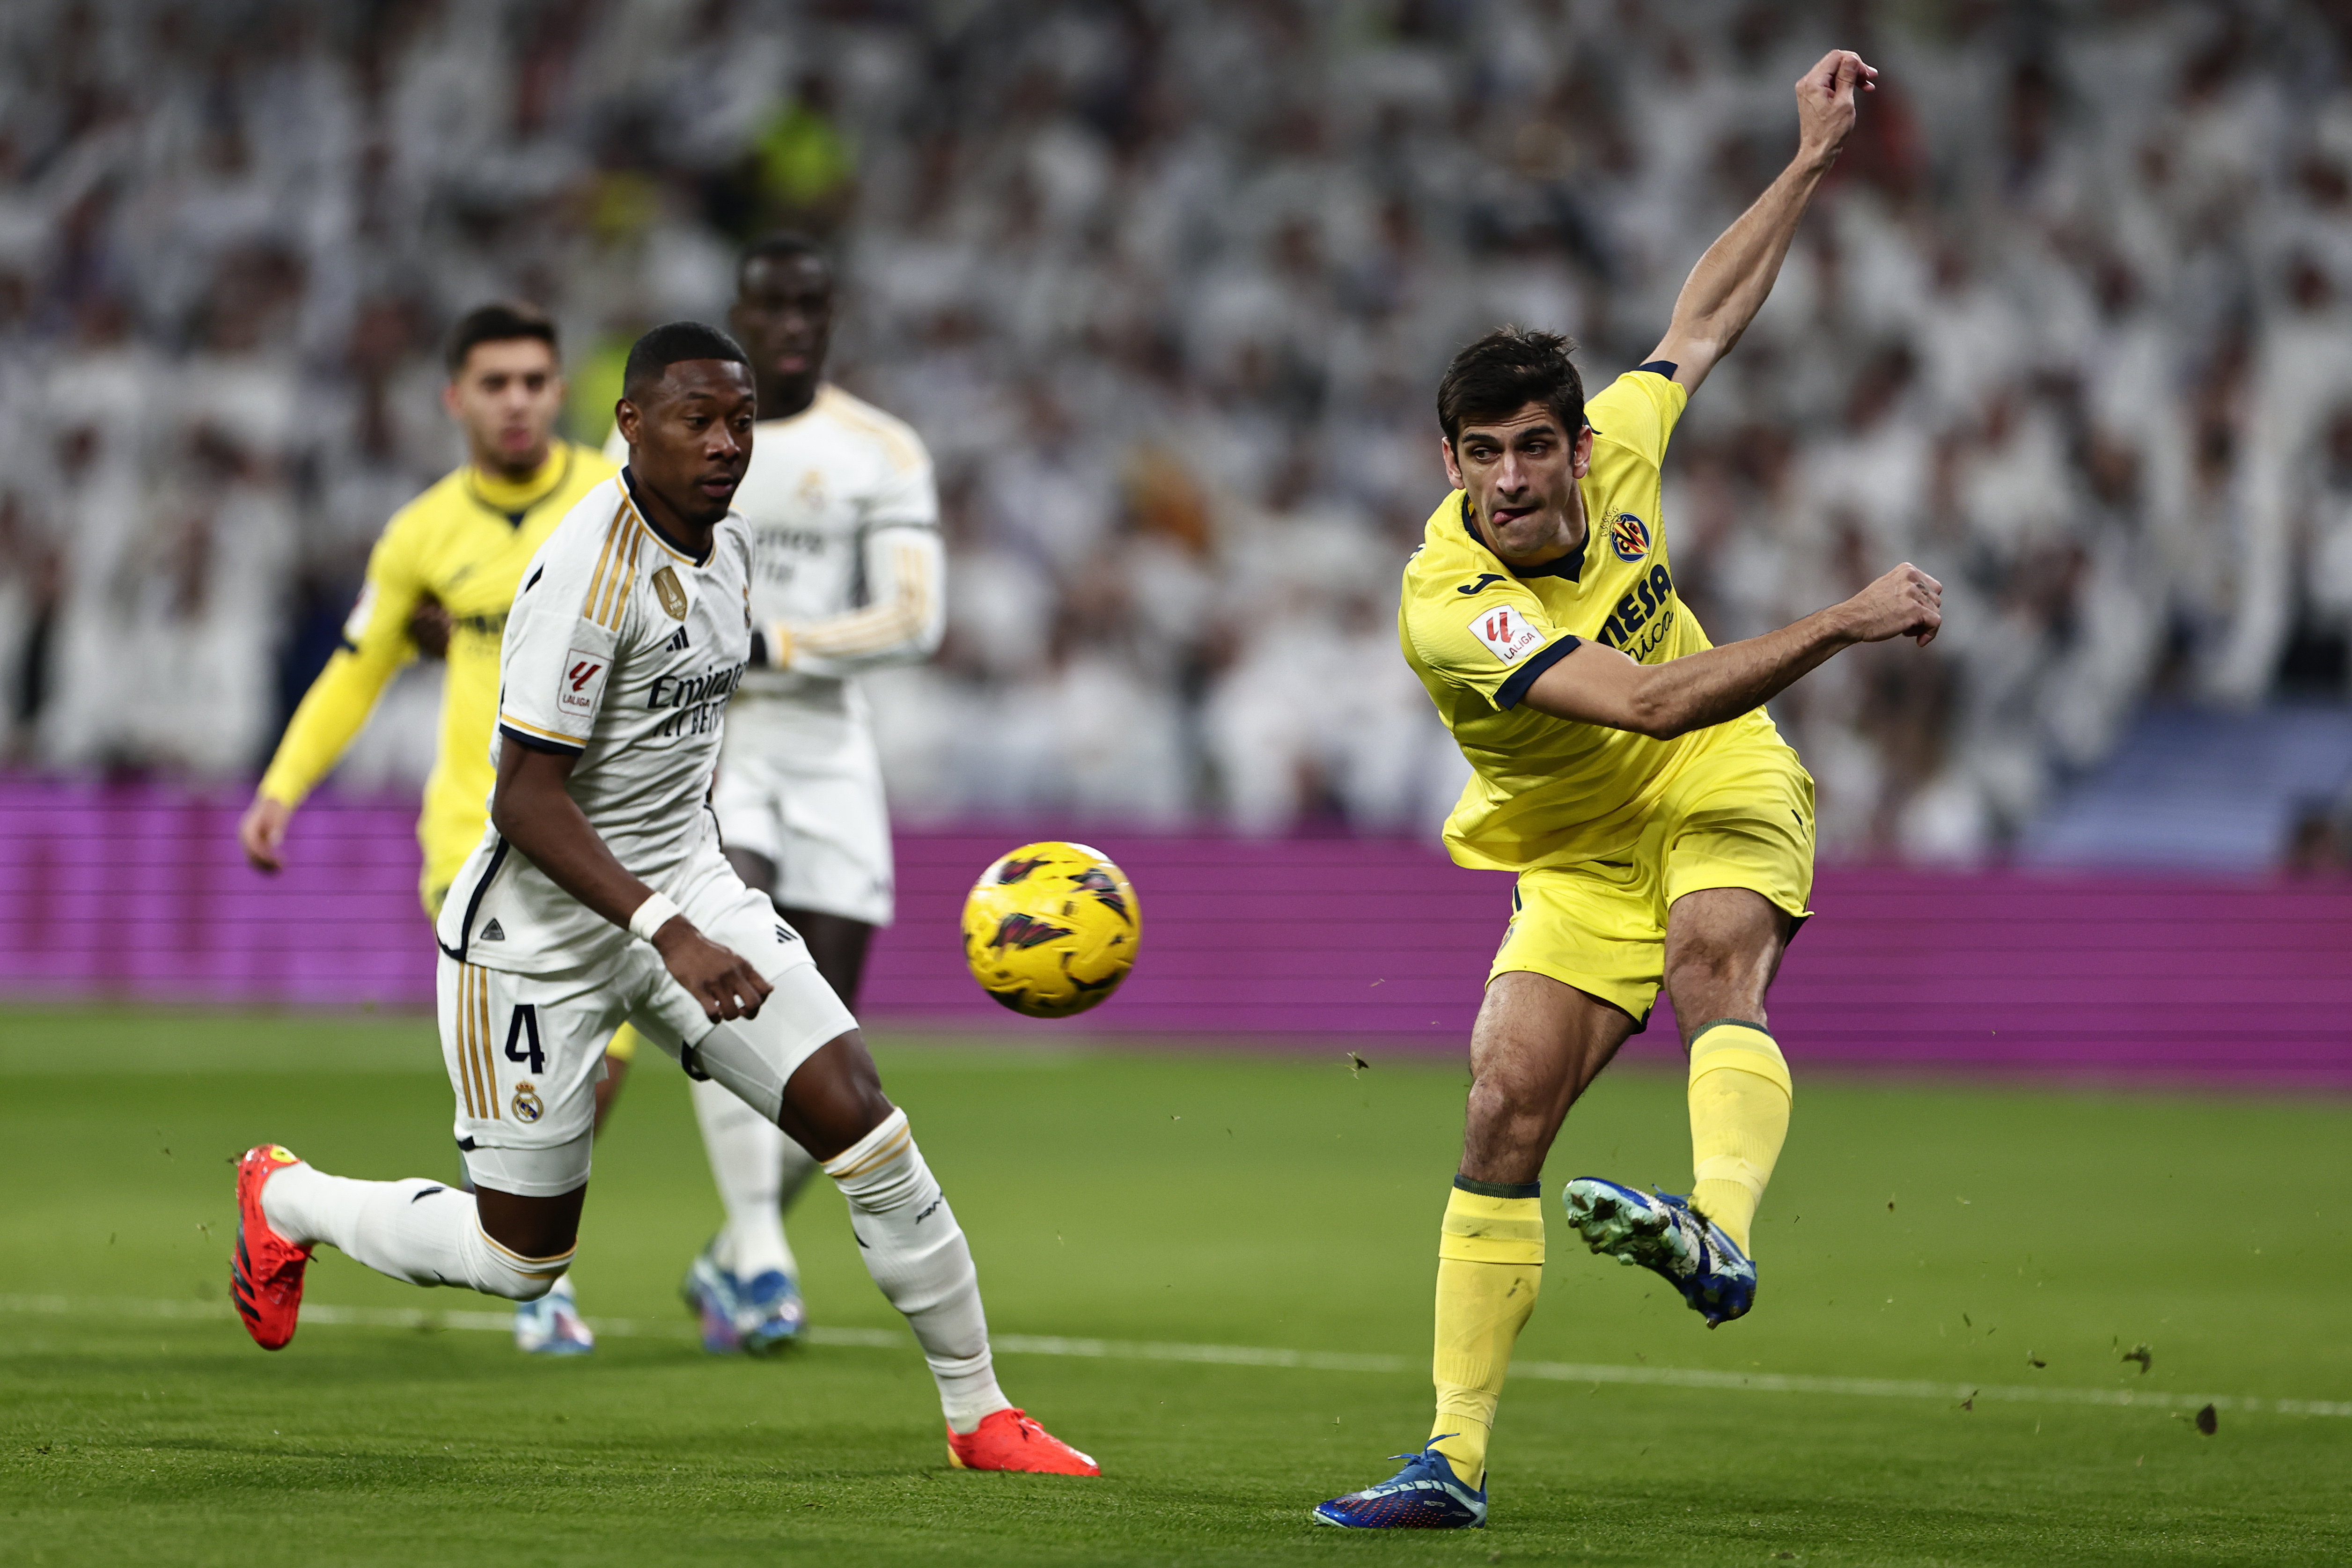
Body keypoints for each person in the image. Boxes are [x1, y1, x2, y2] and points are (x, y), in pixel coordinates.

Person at [229, 322, 1096, 1478]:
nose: (728, 443)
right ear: (631, 426)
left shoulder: (729, 546)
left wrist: (697, 892)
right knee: (519, 1259)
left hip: (684, 890)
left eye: (741, 420)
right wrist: (663, 928)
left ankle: (980, 1413)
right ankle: (290, 1199)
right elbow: (524, 800)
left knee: (863, 1119)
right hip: (538, 935)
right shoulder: (589, 576)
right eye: (699, 420)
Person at [1316, 50, 1940, 1530]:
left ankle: (1716, 1227)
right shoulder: (1450, 602)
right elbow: (1647, 698)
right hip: (1580, 839)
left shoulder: (1626, 447)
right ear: (1450, 463)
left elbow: (1702, 317)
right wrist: (1844, 620)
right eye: (1483, 455)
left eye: (1536, 447)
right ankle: (1452, 1455)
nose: (1512, 480)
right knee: (1501, 1112)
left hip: (1721, 773)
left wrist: (1809, 158)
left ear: (1578, 444)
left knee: (1714, 958)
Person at [236, 302, 620, 1355]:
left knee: (599, 1070)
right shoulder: (422, 531)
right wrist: (282, 786)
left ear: (561, 391)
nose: (517, 402)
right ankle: (532, 1274)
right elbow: (357, 665)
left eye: (534, 381)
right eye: (495, 383)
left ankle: (519, 1246)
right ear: (456, 398)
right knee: (542, 1060)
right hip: (477, 839)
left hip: (609, 838)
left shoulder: (613, 499)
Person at [602, 233, 946, 1355]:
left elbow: (916, 617)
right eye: (773, 307)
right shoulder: (671, 431)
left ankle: (732, 1249)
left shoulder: (878, 450)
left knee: (826, 1038)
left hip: (830, 745)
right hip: (713, 739)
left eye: (812, 307)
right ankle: (759, 1255)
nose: (793, 325)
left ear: (830, 317)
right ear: (741, 312)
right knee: (736, 972)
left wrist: (776, 640)